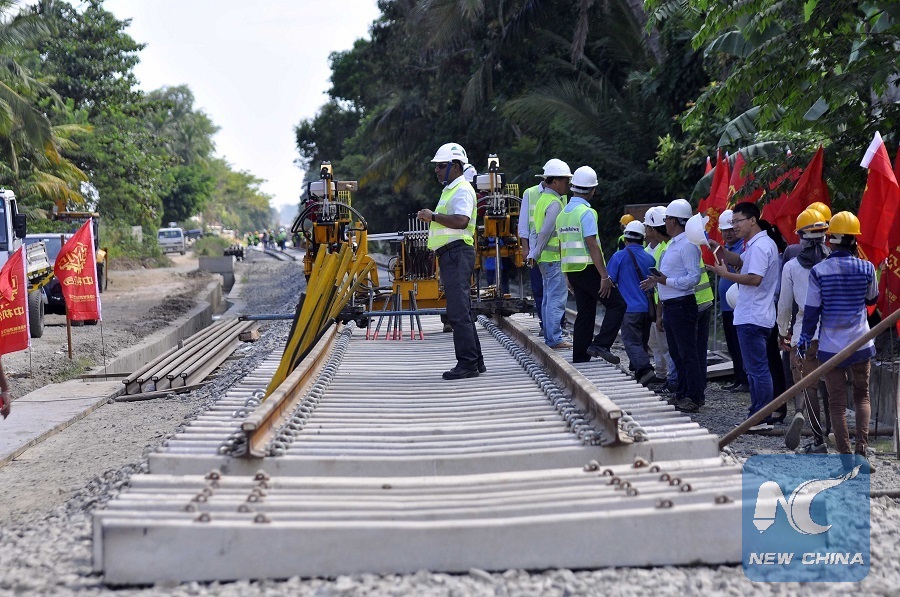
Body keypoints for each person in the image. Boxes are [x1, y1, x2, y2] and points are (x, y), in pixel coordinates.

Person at [799, 211, 878, 470]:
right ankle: (861, 452)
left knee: (837, 402)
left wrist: (803, 340)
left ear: (830, 240)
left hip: (831, 346)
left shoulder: (819, 271)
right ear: (855, 240)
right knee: (862, 396)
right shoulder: (867, 268)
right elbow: (871, 299)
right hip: (861, 343)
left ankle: (845, 459)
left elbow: (812, 312)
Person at [708, 201, 780, 429]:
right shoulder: (756, 244)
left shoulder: (759, 246)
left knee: (758, 369)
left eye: (738, 221)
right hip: (755, 314)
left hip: (753, 315)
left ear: (752, 220)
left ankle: (761, 416)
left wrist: (725, 275)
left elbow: (754, 278)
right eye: (733, 222)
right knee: (756, 368)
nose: (735, 226)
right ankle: (758, 414)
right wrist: (720, 251)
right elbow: (740, 262)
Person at [416, 142, 485, 380]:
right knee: (462, 308)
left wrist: (433, 216)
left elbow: (462, 220)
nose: (436, 170)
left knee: (457, 311)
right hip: (451, 254)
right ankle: (476, 361)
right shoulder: (451, 189)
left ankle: (467, 364)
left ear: (455, 166)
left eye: (441, 165)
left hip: (457, 253)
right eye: (436, 166)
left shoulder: (462, 189)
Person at [555, 166, 625, 363]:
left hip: (573, 271)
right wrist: (604, 276)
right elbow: (592, 244)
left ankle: (580, 356)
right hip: (588, 269)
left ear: (573, 187)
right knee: (618, 304)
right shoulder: (586, 213)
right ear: (593, 190)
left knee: (585, 312)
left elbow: (562, 246)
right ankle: (601, 344)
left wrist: (566, 275)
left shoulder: (563, 214)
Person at [641, 199, 705, 413]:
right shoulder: (674, 244)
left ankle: (694, 396)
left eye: (667, 218)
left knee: (687, 353)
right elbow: (671, 276)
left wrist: (666, 281)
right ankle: (683, 393)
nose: (665, 222)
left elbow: (693, 277)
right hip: (672, 305)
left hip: (682, 305)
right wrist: (657, 281)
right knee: (678, 354)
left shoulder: (687, 245)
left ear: (675, 221)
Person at [778, 208, 830, 452]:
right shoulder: (834, 262)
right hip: (833, 334)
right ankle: (832, 429)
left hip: (803, 333)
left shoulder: (791, 267)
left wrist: (783, 331)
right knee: (831, 382)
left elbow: (784, 305)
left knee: (805, 382)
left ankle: (810, 426)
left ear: (801, 237)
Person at [528, 158, 572, 350]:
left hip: (545, 259)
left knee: (548, 298)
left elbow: (534, 230)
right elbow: (545, 232)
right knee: (556, 299)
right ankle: (554, 338)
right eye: (565, 181)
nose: (568, 185)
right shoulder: (555, 203)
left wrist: (534, 253)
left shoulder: (542, 200)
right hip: (553, 259)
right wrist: (535, 252)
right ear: (554, 181)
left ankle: (550, 335)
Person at [607, 220, 656, 383]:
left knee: (631, 342)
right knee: (641, 342)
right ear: (642, 238)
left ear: (625, 238)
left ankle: (646, 370)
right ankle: (640, 374)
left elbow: (609, 281)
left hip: (629, 309)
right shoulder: (650, 258)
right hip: (648, 309)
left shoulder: (619, 256)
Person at [716, 210, 749, 392]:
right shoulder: (725, 249)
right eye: (724, 230)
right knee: (732, 345)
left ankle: (745, 379)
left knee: (740, 344)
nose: (728, 234)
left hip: (738, 305)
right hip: (727, 307)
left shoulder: (742, 249)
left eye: (730, 230)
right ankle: (738, 378)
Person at [643, 206, 675, 389]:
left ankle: (671, 378)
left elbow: (663, 280)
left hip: (664, 302)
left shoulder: (665, 248)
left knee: (666, 345)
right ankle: (662, 374)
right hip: (656, 302)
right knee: (655, 343)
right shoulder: (650, 249)